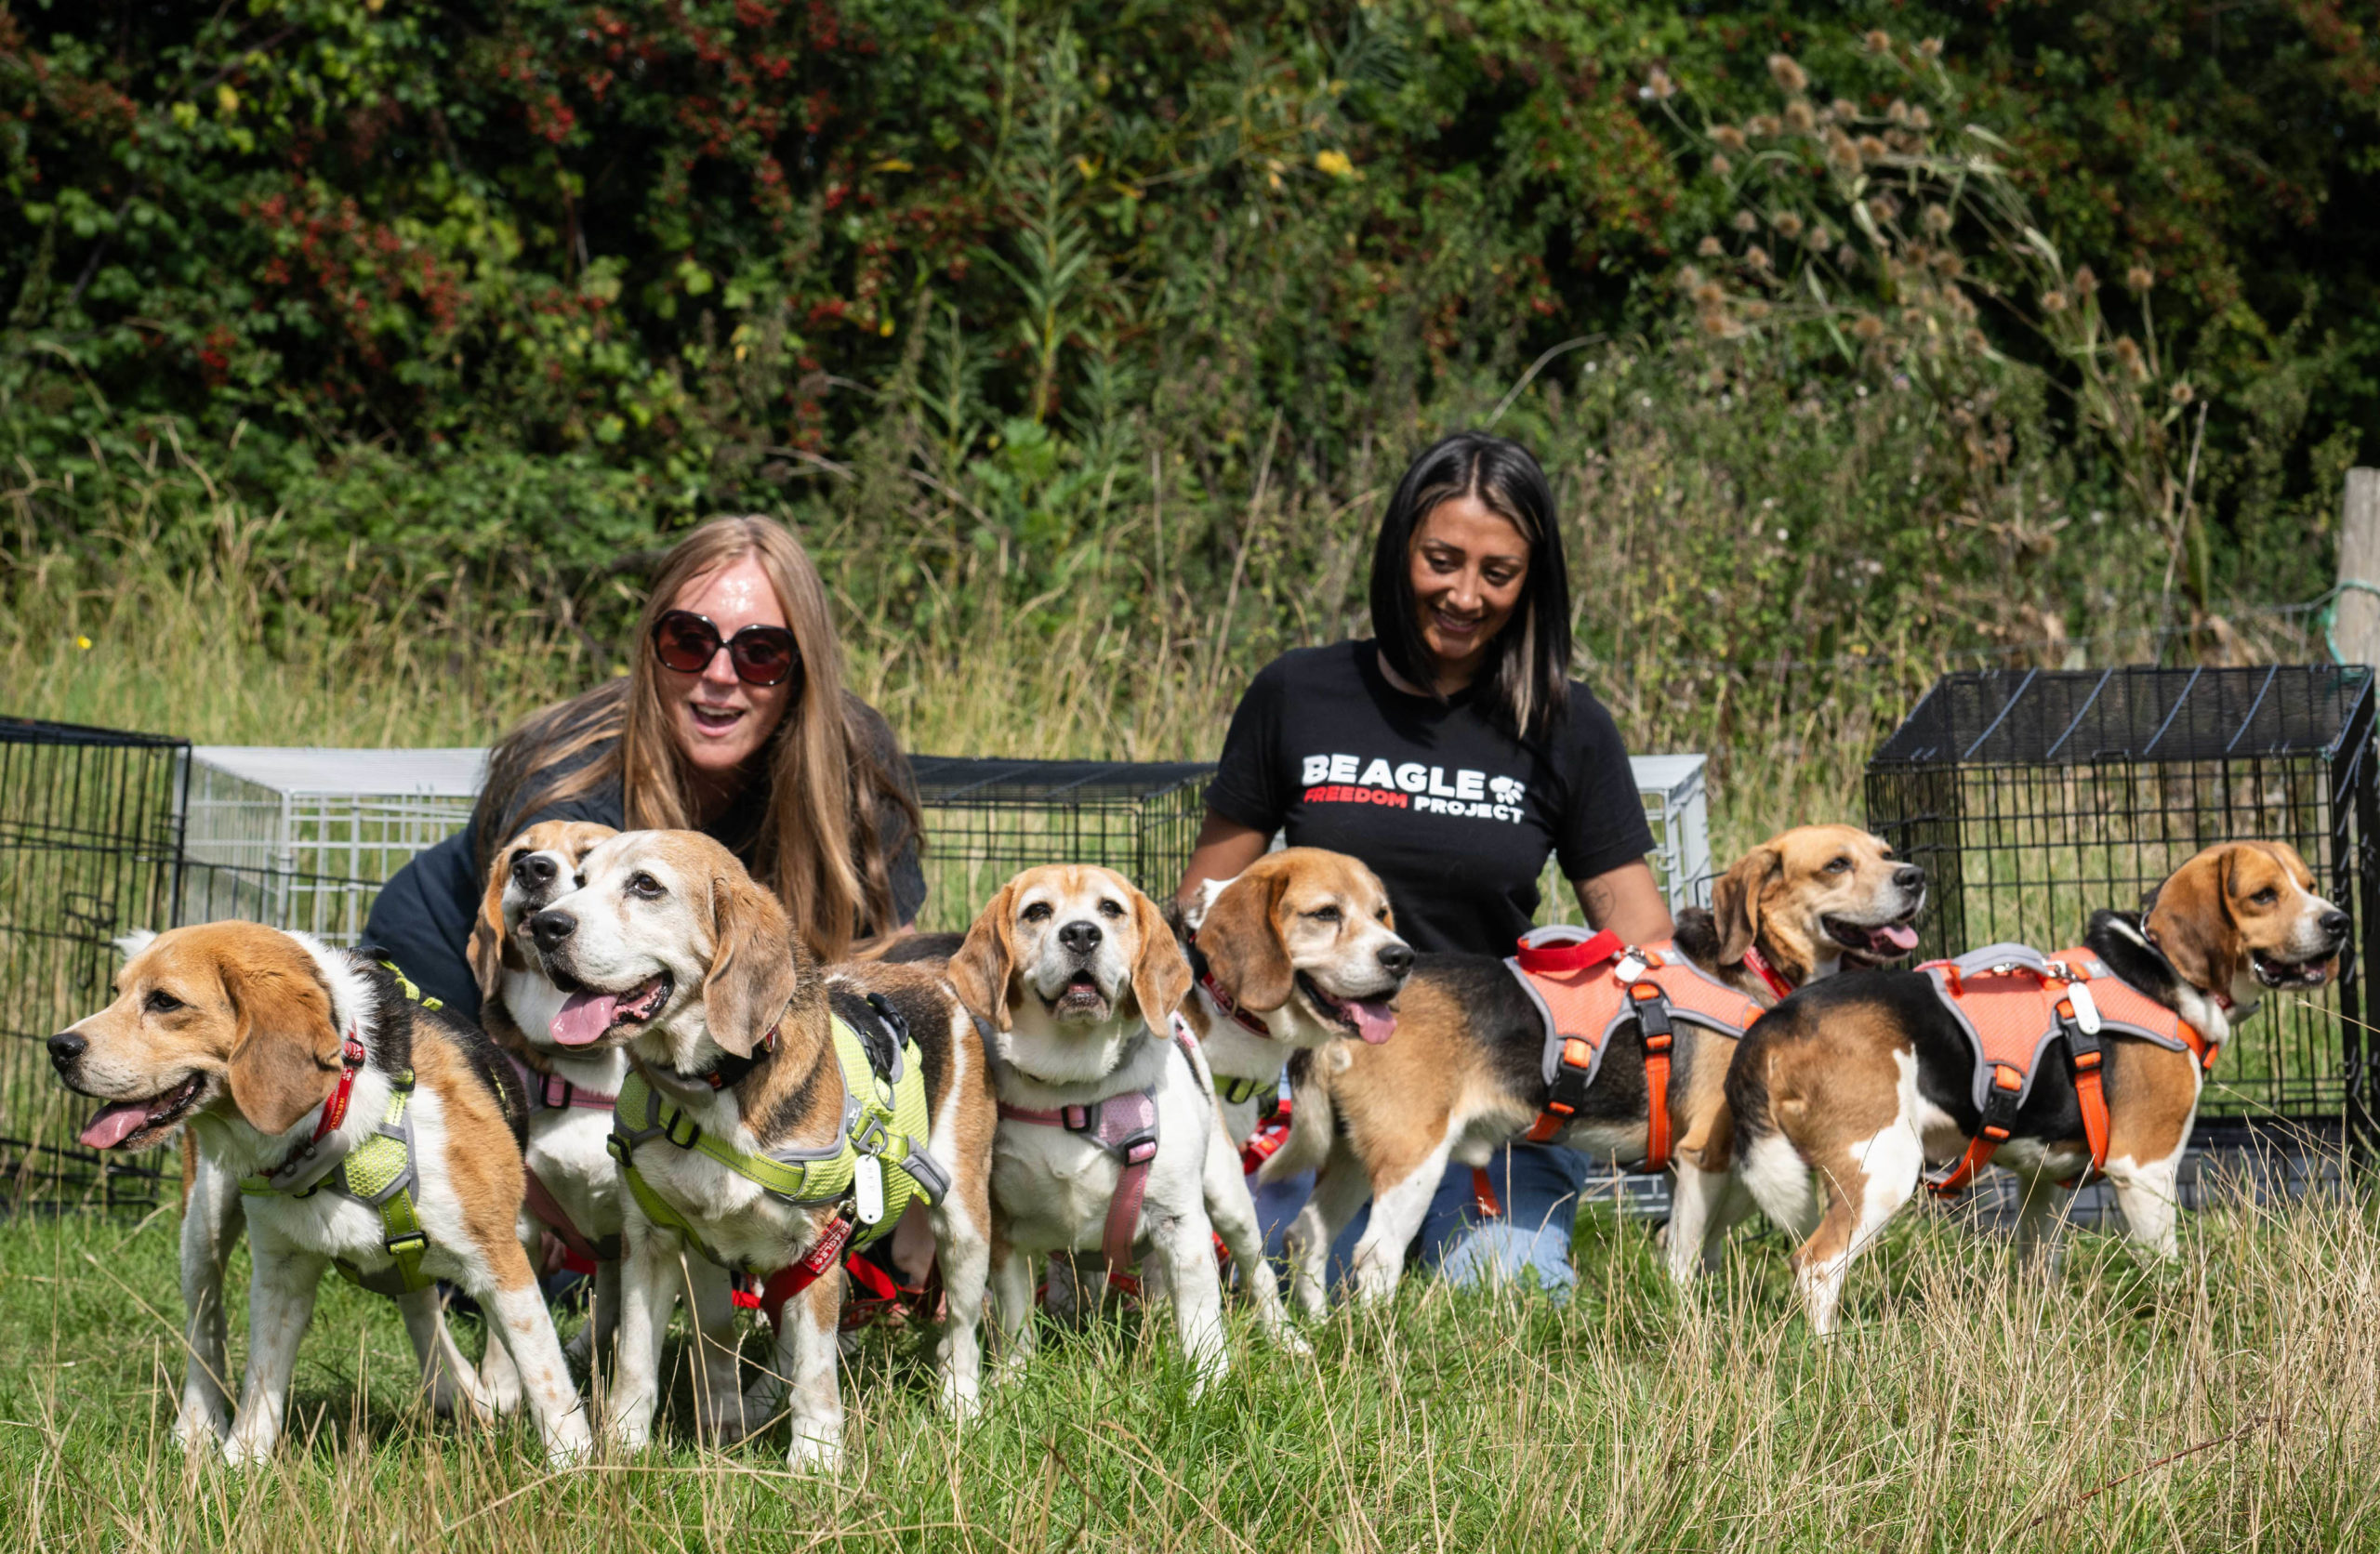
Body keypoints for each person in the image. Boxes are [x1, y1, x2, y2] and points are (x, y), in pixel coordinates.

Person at [1180, 430, 1673, 1297]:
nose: (1465, 594)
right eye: (1441, 559)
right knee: (1260, 1286)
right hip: (1321, 1086)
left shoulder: (1569, 725)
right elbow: (1206, 905)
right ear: (1399, 548)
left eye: (1499, 572)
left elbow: (1644, 946)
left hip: (1490, 1087)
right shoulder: (1297, 694)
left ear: (1533, 582)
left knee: (1505, 1296)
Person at [364, 514, 926, 1018]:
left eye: (762, 653)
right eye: (688, 640)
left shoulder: (857, 760)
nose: (721, 675)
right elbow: (557, 968)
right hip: (465, 977)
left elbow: (891, 957)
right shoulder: (563, 771)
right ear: (650, 647)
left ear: (804, 666)